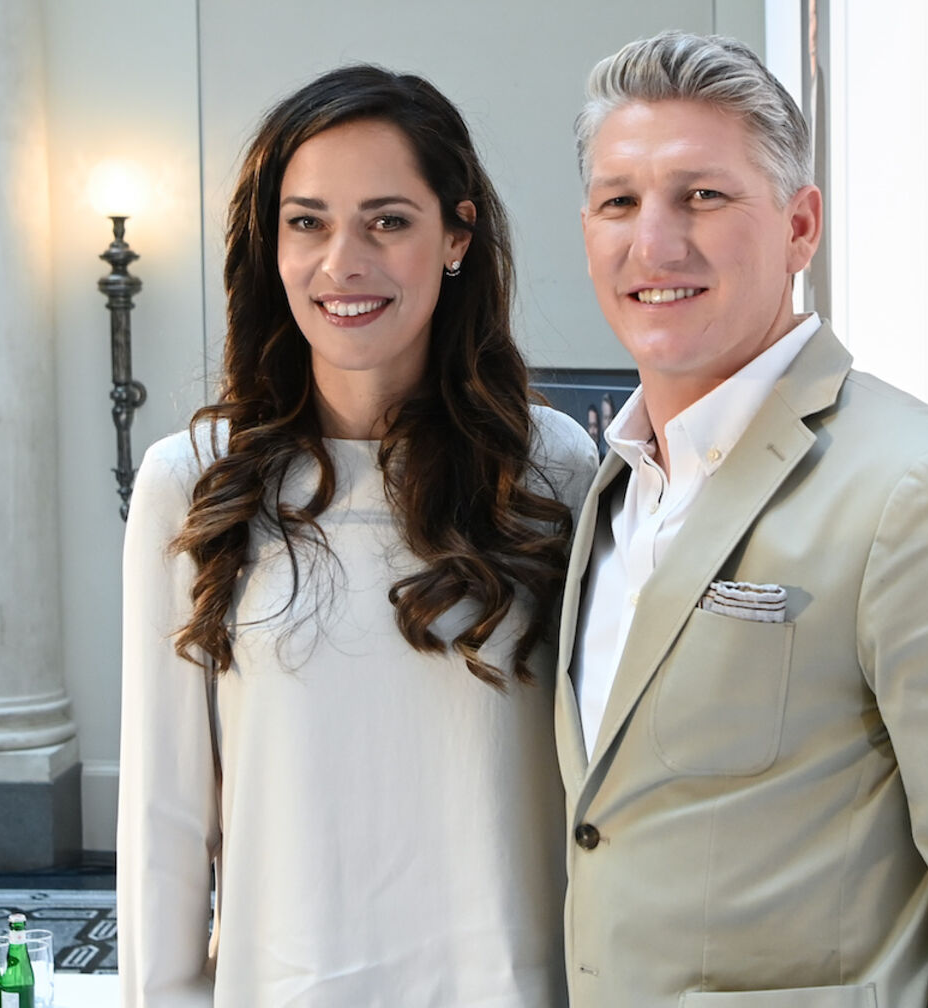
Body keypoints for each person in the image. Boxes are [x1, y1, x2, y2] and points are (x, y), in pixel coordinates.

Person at [557, 32, 928, 1007]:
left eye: (703, 196)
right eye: (620, 202)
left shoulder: (927, 496)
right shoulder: (613, 487)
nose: (655, 243)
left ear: (801, 226)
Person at [117, 65, 597, 1007]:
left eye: (388, 221)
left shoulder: (551, 471)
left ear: (456, 235)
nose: (343, 261)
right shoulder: (192, 482)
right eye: (308, 222)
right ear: (272, 244)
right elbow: (166, 820)